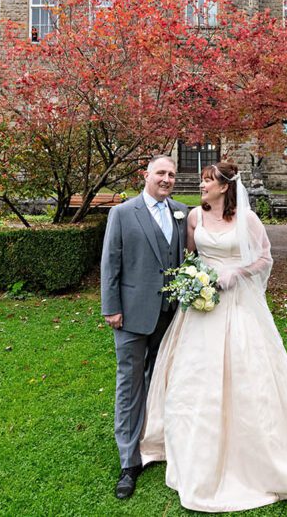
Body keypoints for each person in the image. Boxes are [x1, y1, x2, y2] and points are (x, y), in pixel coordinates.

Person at [140, 160, 287, 512]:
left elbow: (265, 258)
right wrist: (196, 281)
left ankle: (250, 449)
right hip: (200, 310)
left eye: (208, 181)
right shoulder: (194, 217)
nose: (202, 185)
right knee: (192, 376)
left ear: (225, 186)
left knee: (246, 373)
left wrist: (237, 273)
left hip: (237, 306)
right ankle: (190, 444)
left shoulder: (247, 220)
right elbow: (190, 257)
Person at [100, 155, 188, 499]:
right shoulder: (122, 213)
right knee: (130, 385)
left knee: (162, 381)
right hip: (132, 315)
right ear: (147, 175)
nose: (167, 179)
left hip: (171, 314)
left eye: (172, 174)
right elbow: (111, 262)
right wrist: (112, 308)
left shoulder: (181, 212)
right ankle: (128, 460)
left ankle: (157, 443)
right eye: (161, 173)